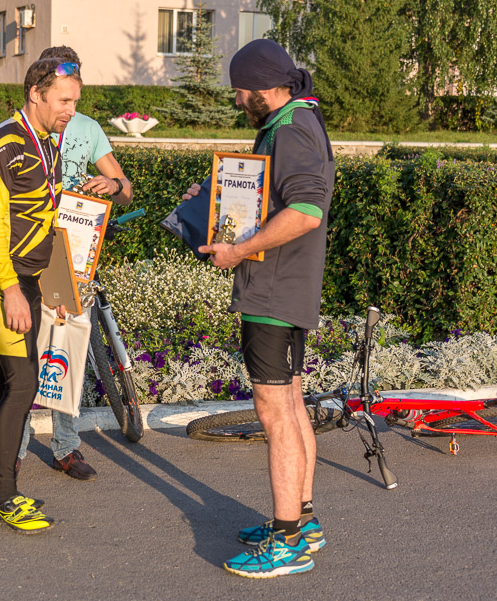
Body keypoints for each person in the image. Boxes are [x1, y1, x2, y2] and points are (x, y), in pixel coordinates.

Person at [190, 39, 334, 578]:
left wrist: (239, 250)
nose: (237, 101)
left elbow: (305, 209)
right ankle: (304, 520)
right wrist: (215, 196)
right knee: (292, 407)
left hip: (273, 293)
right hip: (285, 289)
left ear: (262, 86)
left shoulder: (291, 128)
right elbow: (277, 197)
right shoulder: (295, 119)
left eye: (240, 91)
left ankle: (286, 541)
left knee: (275, 416)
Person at [0, 57, 82, 533]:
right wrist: (12, 290)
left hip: (24, 281)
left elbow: (44, 221)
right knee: (22, 384)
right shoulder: (5, 144)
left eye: (75, 101)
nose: (71, 110)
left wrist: (50, 287)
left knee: (0, 384)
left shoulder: (46, 144)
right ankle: (6, 495)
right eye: (64, 100)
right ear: (35, 92)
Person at [17, 45, 132, 482]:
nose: (69, 103)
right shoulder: (28, 128)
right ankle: (18, 447)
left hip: (75, 250)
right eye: (62, 92)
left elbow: (127, 189)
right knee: (27, 348)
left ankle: (66, 447)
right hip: (32, 247)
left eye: (75, 90)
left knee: (68, 348)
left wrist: (113, 182)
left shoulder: (87, 128)